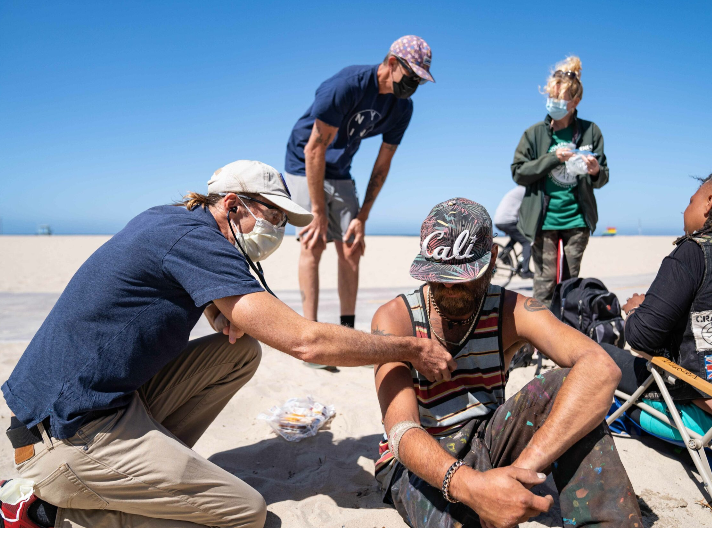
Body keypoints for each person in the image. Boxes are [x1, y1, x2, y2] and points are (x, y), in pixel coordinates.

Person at [0, 160, 453, 528]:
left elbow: (163, 280)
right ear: (233, 205)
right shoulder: (199, 241)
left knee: (238, 353)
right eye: (273, 216)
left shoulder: (172, 221)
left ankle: (147, 469)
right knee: (244, 512)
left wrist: (214, 308)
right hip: (67, 435)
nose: (278, 229)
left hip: (77, 405)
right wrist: (410, 348)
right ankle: (45, 514)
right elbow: (306, 342)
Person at [371, 198, 641, 528]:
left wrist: (520, 472)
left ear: (493, 258)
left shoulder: (513, 310)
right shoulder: (395, 319)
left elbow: (601, 368)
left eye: (462, 277)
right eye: (440, 277)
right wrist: (472, 487)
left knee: (571, 384)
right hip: (419, 458)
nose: (450, 287)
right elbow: (402, 431)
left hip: (488, 437)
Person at [284, 35, 434, 362]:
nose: (414, 86)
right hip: (304, 162)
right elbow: (314, 150)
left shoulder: (402, 108)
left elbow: (383, 165)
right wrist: (318, 212)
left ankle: (347, 332)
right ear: (392, 63)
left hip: (340, 168)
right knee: (313, 242)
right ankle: (311, 334)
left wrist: (362, 217)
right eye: (412, 77)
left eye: (420, 81)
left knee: (351, 247)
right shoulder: (346, 86)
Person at [604, 167, 712, 439]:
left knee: (599, 353)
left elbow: (641, 339)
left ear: (710, 202)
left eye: (691, 201)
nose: (685, 210)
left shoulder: (695, 250)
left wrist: (635, 309)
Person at [510, 56, 608, 306]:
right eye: (551, 97)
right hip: (543, 221)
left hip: (578, 221)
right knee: (544, 284)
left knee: (571, 284)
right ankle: (540, 329)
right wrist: (553, 158)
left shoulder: (591, 131)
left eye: (560, 98)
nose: (553, 102)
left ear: (575, 102)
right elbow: (518, 172)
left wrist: (595, 171)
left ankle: (568, 326)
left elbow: (602, 177)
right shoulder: (534, 134)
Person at [493, 185, 532, 278]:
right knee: (527, 242)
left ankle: (503, 255)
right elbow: (527, 211)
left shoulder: (517, 190)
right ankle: (525, 270)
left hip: (499, 220)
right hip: (508, 221)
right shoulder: (527, 190)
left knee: (516, 238)